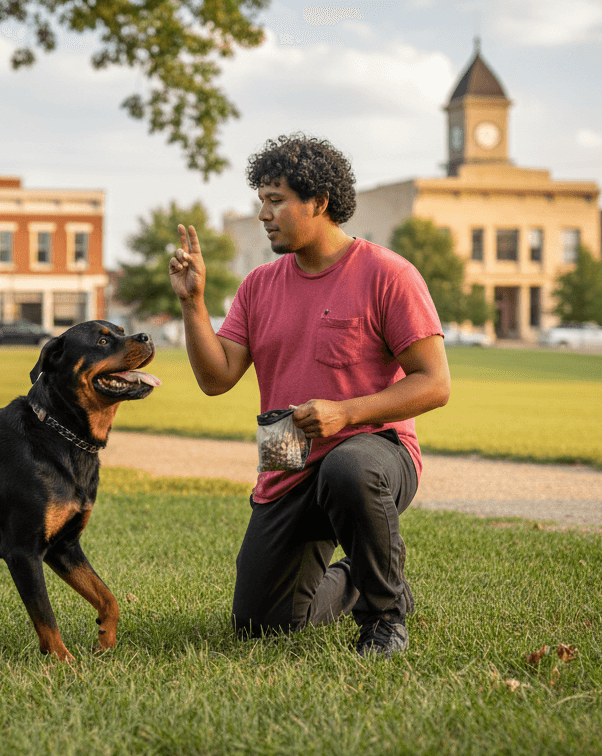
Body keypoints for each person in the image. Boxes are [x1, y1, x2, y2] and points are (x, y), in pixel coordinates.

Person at [169, 134, 450, 657]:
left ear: (318, 202)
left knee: (349, 470)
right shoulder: (258, 284)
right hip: (285, 448)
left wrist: (346, 413)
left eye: (275, 201)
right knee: (260, 624)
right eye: (261, 201)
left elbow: (435, 383)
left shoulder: (388, 273)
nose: (263, 214)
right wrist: (194, 304)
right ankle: (365, 576)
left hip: (373, 448)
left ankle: (385, 618)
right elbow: (217, 378)